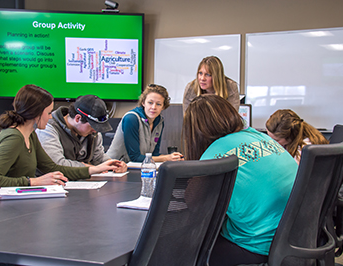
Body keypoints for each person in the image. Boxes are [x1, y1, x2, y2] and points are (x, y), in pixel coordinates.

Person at [183, 95, 298, 266]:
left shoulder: (214, 156)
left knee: (186, 251)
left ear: (195, 131)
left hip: (260, 246)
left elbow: (194, 207)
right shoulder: (259, 136)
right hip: (297, 236)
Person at [0, 85, 124, 193]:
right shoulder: (13, 138)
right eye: (48, 113)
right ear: (36, 113)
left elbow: (53, 168)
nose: (50, 117)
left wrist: (95, 169)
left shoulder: (31, 135)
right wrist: (33, 182)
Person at [35, 95, 127, 171]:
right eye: (92, 126)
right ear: (78, 118)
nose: (95, 131)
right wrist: (90, 169)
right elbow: (57, 164)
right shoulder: (48, 129)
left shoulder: (92, 134)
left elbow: (98, 158)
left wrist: (113, 164)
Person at [107, 84, 184, 163]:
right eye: (150, 102)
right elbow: (135, 157)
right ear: (143, 103)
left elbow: (154, 154)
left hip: (140, 167)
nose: (153, 107)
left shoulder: (159, 121)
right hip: (114, 168)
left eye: (158, 104)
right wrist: (166, 158)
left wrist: (173, 157)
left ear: (163, 106)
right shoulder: (131, 118)